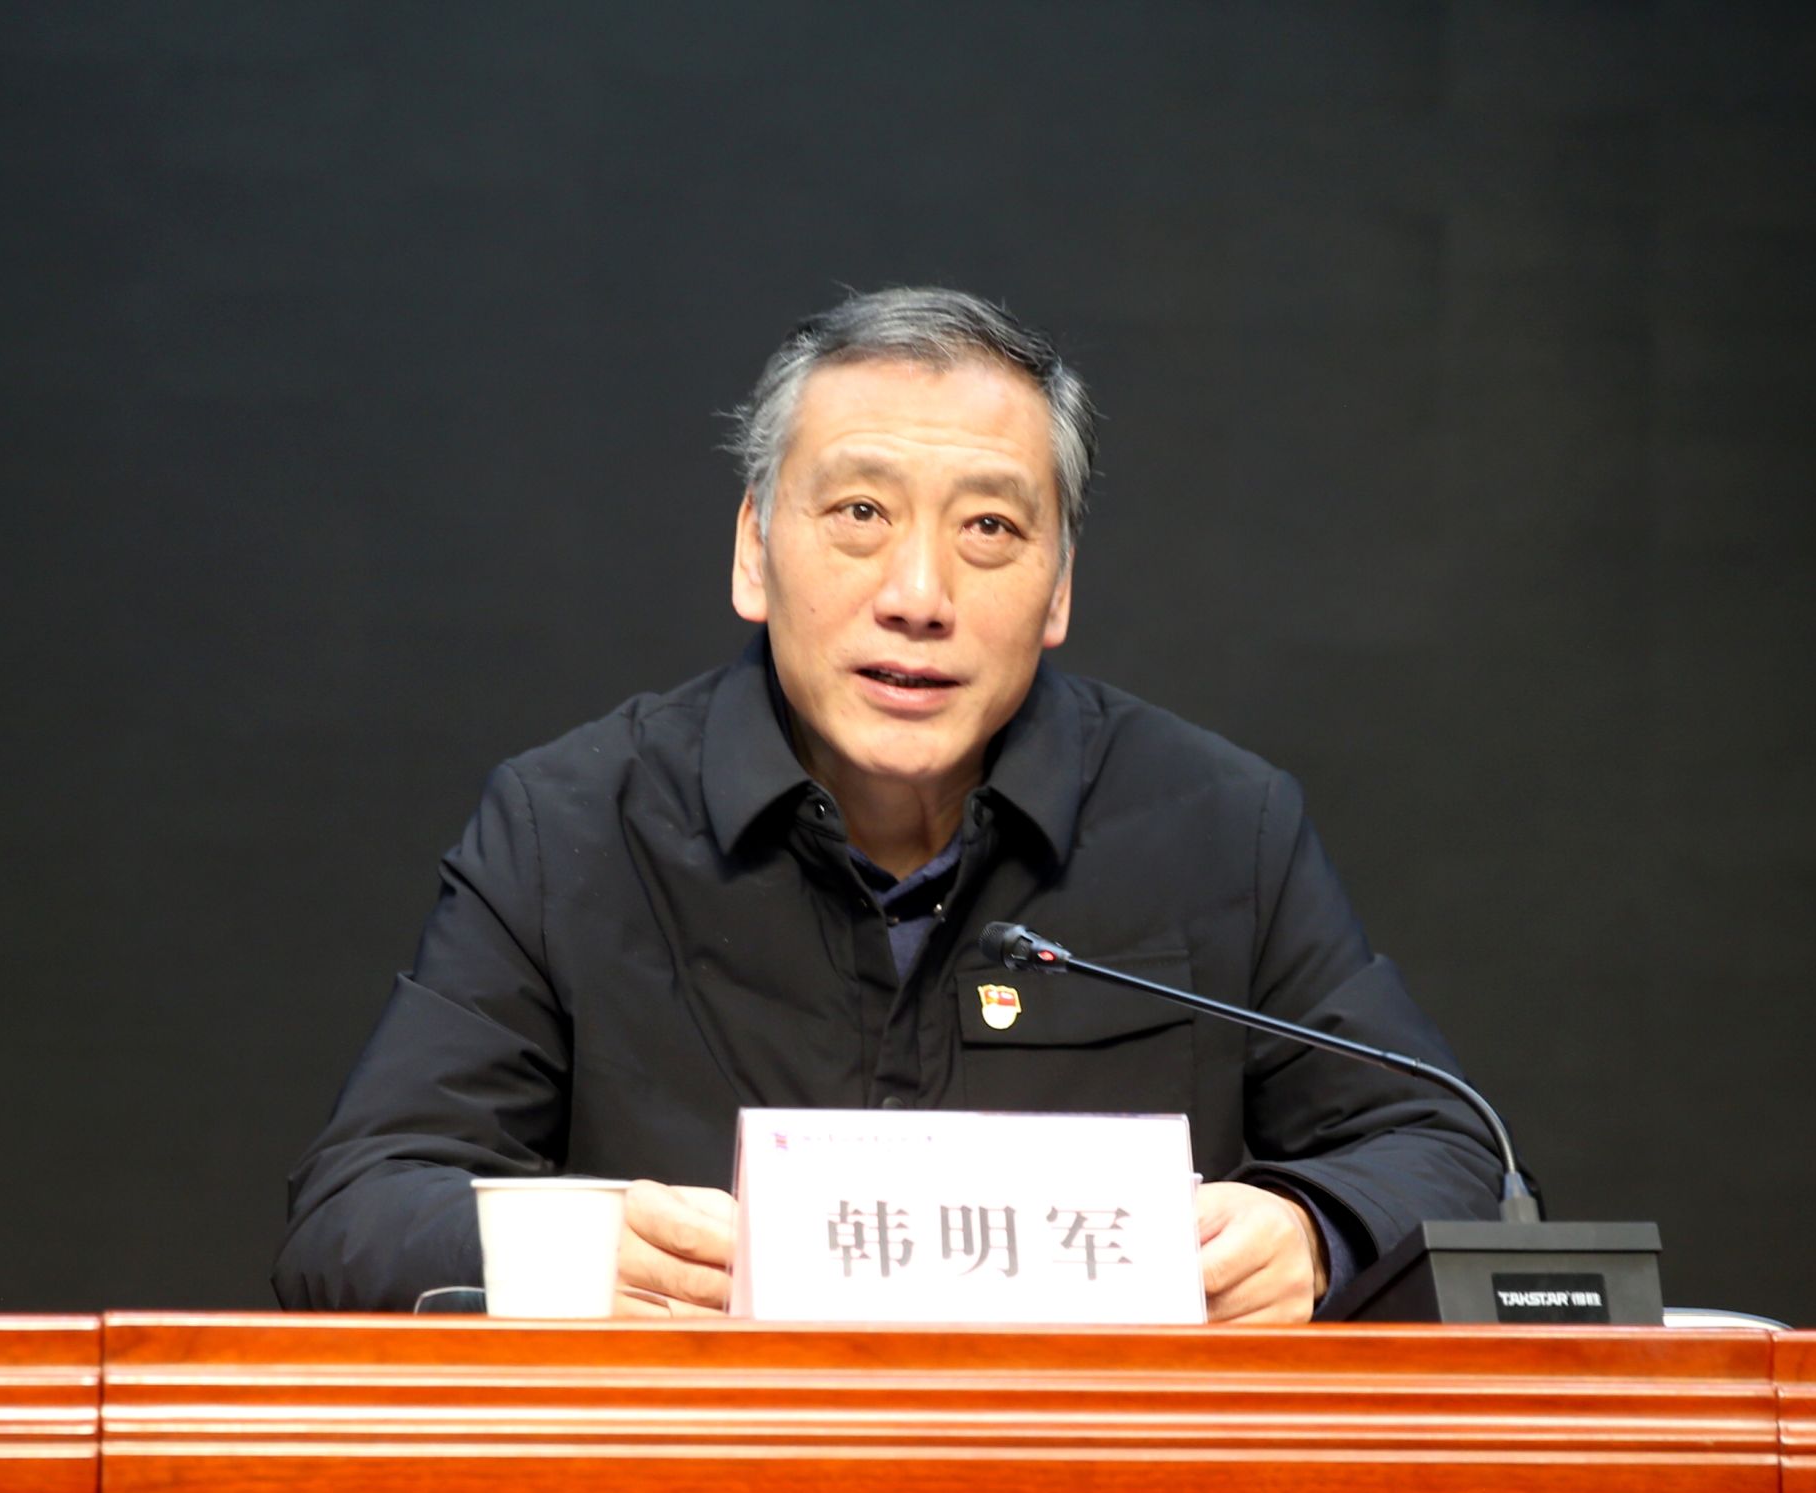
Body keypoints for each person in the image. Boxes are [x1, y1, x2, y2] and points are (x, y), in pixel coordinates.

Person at [272, 287, 1503, 1321]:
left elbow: (1450, 1151)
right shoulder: (568, 825)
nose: (918, 593)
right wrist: (582, 1253)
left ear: (1057, 589)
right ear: (753, 549)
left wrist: (1313, 1233)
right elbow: (353, 1208)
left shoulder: (1221, 826)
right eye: (859, 512)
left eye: (989, 527)